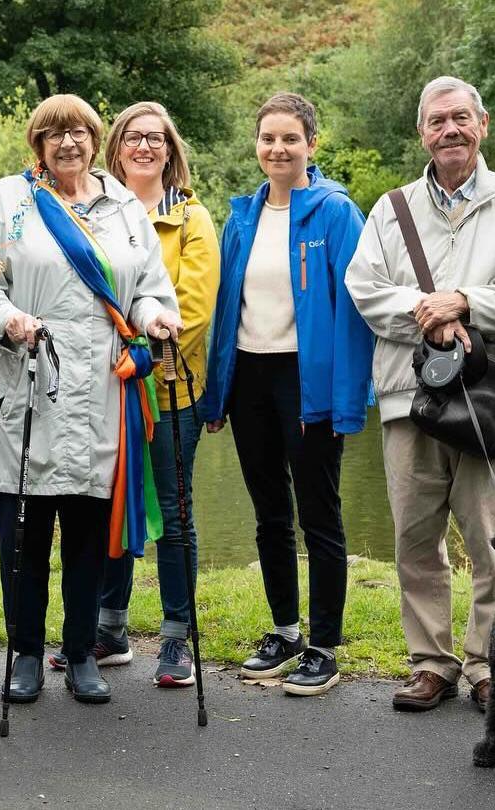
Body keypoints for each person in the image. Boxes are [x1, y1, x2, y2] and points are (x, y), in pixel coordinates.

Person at [344, 76, 495, 713]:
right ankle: (431, 662)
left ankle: (489, 662)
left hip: (489, 398)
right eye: (437, 122)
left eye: (460, 119)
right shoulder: (390, 209)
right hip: (411, 395)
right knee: (414, 536)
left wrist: (466, 301)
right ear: (422, 133)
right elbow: (365, 287)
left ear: (483, 125)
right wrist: (428, 311)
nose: (450, 131)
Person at [0, 94, 182, 705]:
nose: (67, 143)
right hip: (25, 391)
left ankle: (82, 651)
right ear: (37, 143)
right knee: (25, 538)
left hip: (99, 397)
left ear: (94, 138)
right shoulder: (10, 201)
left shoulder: (124, 211)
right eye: (53, 132)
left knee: (88, 536)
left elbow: (145, 289)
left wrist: (156, 318)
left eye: (79, 131)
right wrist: (8, 320)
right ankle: (26, 653)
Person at [198, 92, 373, 697]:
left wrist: (348, 399)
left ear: (311, 145)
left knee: (319, 516)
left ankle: (324, 646)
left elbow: (355, 312)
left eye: (290, 139)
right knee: (270, 514)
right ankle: (285, 632)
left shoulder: (335, 212)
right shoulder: (241, 216)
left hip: (309, 384)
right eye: (268, 138)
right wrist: (215, 395)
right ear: (258, 145)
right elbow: (226, 311)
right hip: (250, 377)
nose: (278, 149)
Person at [46, 102, 220, 688]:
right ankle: (109, 628)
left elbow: (188, 311)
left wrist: (138, 358)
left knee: (172, 512)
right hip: (102, 393)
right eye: (133, 138)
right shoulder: (96, 210)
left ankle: (175, 638)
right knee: (108, 506)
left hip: (163, 391)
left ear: (171, 150)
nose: (144, 147)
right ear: (115, 148)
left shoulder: (191, 219)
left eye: (157, 138)